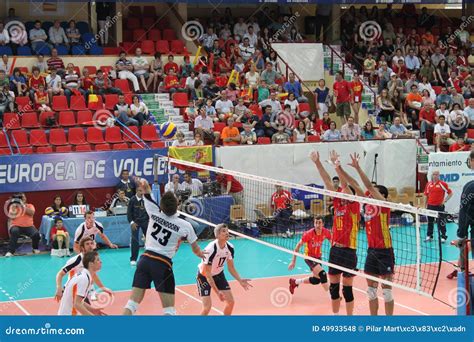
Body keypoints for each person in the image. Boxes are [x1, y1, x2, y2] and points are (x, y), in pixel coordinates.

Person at [123, 182, 205, 316]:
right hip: (162, 264)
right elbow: (195, 248)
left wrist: (143, 183)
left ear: (161, 206)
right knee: (169, 310)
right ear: (178, 205)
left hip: (144, 261)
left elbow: (146, 190)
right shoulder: (185, 225)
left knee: (131, 304)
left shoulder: (154, 212)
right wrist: (200, 254)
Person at [341, 153, 395, 316]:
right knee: (371, 291)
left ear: (383, 196)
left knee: (386, 293)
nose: (369, 194)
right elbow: (354, 184)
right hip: (371, 251)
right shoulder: (368, 205)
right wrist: (339, 168)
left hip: (385, 252)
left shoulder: (384, 205)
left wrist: (358, 167)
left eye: (374, 193)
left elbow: (369, 188)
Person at [310, 151, 360, 315]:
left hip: (349, 250)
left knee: (347, 290)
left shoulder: (354, 205)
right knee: (333, 289)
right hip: (335, 250)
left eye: (345, 190)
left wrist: (337, 166)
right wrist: (317, 163)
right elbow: (326, 181)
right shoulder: (338, 201)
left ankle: (349, 319)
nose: (341, 191)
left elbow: (345, 185)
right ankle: (336, 318)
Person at [197, 223, 251, 315]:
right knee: (207, 307)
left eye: (227, 231)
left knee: (231, 302)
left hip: (218, 275)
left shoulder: (230, 247)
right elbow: (208, 274)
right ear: (217, 235)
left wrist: (240, 280)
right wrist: (218, 293)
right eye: (223, 231)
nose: (227, 233)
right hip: (204, 276)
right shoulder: (211, 249)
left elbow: (231, 267)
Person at [54, 237, 111, 304]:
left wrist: (103, 289)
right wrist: (59, 288)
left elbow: (94, 276)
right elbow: (60, 274)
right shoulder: (76, 260)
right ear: (82, 248)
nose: (90, 246)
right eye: (87, 244)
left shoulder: (92, 259)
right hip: (72, 290)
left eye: (91, 243)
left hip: (82, 290)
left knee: (87, 311)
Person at [288, 216, 331, 293]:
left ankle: (295, 282)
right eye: (316, 223)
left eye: (320, 223)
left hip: (318, 257)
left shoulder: (326, 232)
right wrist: (293, 261)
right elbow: (297, 247)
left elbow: (332, 242)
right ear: (314, 224)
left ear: (323, 224)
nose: (318, 225)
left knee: (316, 280)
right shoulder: (308, 234)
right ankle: (333, 296)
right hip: (309, 257)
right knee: (323, 274)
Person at [58, 251, 105, 316]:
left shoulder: (84, 275)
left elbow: (78, 301)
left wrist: (92, 310)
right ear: (91, 264)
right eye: (98, 260)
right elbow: (77, 304)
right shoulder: (84, 279)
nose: (101, 262)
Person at [5, 193, 40, 257]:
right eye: (21, 197)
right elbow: (12, 217)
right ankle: (11, 251)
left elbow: (31, 213)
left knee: (36, 234)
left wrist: (22, 206)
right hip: (16, 226)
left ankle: (35, 248)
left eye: (24, 197)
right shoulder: (13, 206)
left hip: (28, 226)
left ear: (26, 198)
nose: (23, 198)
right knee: (14, 231)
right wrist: (15, 206)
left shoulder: (30, 205)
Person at [423, 170, 453, 243]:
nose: (435, 176)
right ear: (432, 175)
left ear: (439, 175)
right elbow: (426, 195)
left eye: (437, 174)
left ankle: (443, 236)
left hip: (439, 207)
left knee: (441, 222)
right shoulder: (428, 184)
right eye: (434, 174)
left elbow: (450, 193)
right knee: (430, 222)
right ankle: (429, 236)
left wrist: (444, 201)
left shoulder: (443, 184)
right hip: (430, 206)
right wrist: (424, 205)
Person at [127, 186, 149, 266]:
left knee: (150, 239)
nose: (141, 193)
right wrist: (132, 222)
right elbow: (129, 213)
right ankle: (133, 259)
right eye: (140, 191)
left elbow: (149, 211)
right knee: (135, 240)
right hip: (135, 222)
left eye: (142, 191)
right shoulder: (132, 200)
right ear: (136, 191)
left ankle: (150, 257)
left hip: (145, 221)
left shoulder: (146, 199)